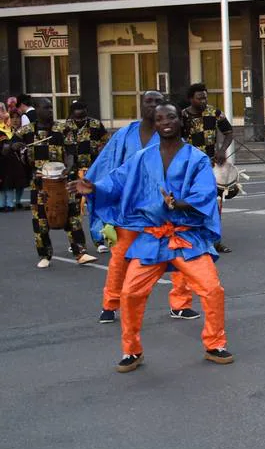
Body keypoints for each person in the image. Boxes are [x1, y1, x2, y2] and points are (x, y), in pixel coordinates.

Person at [75, 104, 232, 373]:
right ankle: (131, 351)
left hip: (186, 237)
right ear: (155, 124)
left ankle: (215, 343)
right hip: (151, 238)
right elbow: (116, 182)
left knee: (211, 289)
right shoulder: (141, 158)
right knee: (130, 292)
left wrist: (179, 204)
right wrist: (94, 187)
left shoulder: (196, 158)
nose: (165, 122)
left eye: (170, 116)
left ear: (180, 120)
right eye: (159, 119)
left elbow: (205, 194)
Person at [86, 90, 196, 323]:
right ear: (141, 105)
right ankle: (110, 303)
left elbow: (185, 171)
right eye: (149, 101)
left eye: (158, 102)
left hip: (162, 211)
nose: (153, 105)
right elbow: (108, 166)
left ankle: (180, 303)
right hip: (129, 210)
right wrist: (95, 188)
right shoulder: (124, 135)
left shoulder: (171, 136)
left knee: (177, 255)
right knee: (119, 258)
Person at [11, 100, 98, 269]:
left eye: (51, 107)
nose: (50, 111)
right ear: (37, 110)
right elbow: (9, 145)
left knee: (73, 218)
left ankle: (80, 252)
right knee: (40, 220)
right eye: (46, 108)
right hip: (39, 184)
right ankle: (44, 255)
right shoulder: (27, 131)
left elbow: (72, 152)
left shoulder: (62, 129)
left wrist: (68, 170)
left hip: (62, 181)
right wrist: (15, 145)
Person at [181, 83, 235, 253]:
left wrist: (221, 150)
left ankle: (216, 241)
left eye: (205, 97)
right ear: (191, 99)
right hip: (190, 167)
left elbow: (229, 132)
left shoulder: (214, 113)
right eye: (200, 97)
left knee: (215, 204)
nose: (203, 100)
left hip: (211, 165)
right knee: (192, 204)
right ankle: (195, 239)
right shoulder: (182, 116)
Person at [58, 100, 110, 250]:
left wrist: (101, 157)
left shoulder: (95, 125)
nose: (80, 120)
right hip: (73, 173)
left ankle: (99, 240)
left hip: (93, 171)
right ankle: (75, 242)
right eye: (77, 118)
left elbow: (106, 144)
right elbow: (61, 149)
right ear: (72, 115)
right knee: (73, 209)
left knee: (95, 206)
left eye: (83, 117)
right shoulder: (64, 128)